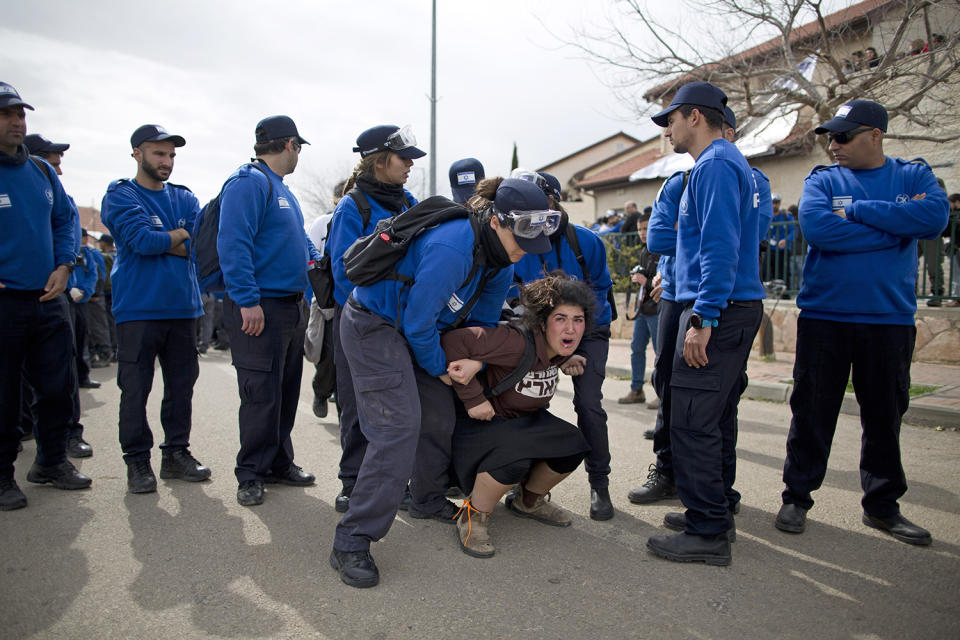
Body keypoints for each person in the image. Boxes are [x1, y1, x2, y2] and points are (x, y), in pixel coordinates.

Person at [330, 177, 556, 588]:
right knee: (398, 427)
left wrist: (472, 360)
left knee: (438, 414)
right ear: (496, 223)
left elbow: (483, 324)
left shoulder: (501, 260)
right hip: (375, 325)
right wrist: (440, 368)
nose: (525, 252)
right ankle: (352, 539)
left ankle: (427, 499)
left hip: (422, 331)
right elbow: (416, 324)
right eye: (521, 240)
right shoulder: (453, 246)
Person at [775, 99, 948, 546]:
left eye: (843, 136)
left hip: (888, 320)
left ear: (875, 135)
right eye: (831, 136)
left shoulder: (912, 175)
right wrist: (896, 226)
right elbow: (817, 230)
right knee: (812, 413)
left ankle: (882, 506)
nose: (834, 144)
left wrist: (856, 211)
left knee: (884, 416)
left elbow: (934, 219)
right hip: (824, 318)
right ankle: (796, 497)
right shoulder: (823, 180)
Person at [645, 81, 764, 566]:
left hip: (721, 307)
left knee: (692, 419)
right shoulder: (721, 164)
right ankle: (712, 510)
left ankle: (708, 532)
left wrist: (704, 316)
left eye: (670, 119)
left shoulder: (715, 164)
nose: (666, 130)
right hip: (730, 305)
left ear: (694, 116)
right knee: (709, 417)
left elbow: (720, 248)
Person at [442, 274, 594, 558]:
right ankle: (472, 515)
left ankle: (527, 501)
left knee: (574, 444)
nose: (571, 328)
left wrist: (563, 359)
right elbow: (452, 342)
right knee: (515, 460)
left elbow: (544, 355)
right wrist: (473, 398)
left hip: (520, 423)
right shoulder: (514, 340)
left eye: (578, 319)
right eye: (561, 318)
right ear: (542, 321)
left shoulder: (553, 348)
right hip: (481, 425)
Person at [100, 124, 211, 494]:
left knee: (181, 388)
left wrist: (166, 238)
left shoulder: (184, 198)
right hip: (139, 309)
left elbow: (198, 246)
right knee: (135, 389)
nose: (166, 161)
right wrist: (177, 235)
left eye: (171, 155)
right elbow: (142, 242)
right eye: (159, 154)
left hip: (183, 309)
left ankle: (176, 454)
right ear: (137, 154)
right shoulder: (121, 195)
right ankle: (137, 461)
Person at [217, 115, 320, 507]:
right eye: (298, 148)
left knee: (284, 390)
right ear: (290, 144)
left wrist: (315, 262)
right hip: (261, 306)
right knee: (260, 393)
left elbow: (298, 244)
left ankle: (279, 462)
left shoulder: (282, 189)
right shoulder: (250, 182)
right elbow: (234, 242)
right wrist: (247, 299)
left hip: (289, 306)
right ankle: (251, 473)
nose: (298, 155)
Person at [0, 81, 92, 511]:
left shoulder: (40, 172)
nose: (17, 122)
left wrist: (64, 264)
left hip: (48, 298)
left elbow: (65, 221)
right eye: (7, 115)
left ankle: (52, 462)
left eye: (21, 115)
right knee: (4, 395)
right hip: (5, 304)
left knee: (58, 387)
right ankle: (3, 476)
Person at [325, 124, 422, 514]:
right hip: (360, 325)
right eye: (404, 158)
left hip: (399, 326)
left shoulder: (409, 201)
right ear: (379, 161)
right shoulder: (354, 206)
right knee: (357, 407)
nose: (410, 165)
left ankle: (395, 484)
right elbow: (342, 273)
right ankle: (352, 483)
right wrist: (371, 315)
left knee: (396, 410)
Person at [512, 170, 617, 521]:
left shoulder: (586, 242)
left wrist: (573, 342)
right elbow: (511, 295)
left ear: (556, 202)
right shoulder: (518, 241)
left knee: (588, 404)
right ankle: (521, 480)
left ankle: (599, 483)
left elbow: (601, 289)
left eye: (541, 203)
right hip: (538, 334)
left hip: (587, 333)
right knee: (523, 400)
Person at [22, 132, 96, 458]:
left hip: (54, 294)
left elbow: (68, 225)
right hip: (14, 295)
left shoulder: (51, 189)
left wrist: (65, 265)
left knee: (60, 373)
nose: (59, 171)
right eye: (53, 164)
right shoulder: (17, 183)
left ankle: (66, 436)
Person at [619, 209, 660, 409]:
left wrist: (647, 281)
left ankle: (662, 393)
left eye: (646, 228)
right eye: (639, 229)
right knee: (636, 348)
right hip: (644, 308)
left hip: (659, 308)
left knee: (660, 352)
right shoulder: (645, 251)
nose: (643, 232)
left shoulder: (663, 249)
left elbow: (667, 283)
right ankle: (636, 389)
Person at [765, 194, 795, 296]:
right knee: (770, 272)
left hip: (783, 250)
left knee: (784, 272)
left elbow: (793, 230)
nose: (774, 205)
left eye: (776, 203)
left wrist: (786, 240)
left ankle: (785, 294)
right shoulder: (768, 216)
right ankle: (772, 293)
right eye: (773, 203)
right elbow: (763, 231)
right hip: (771, 249)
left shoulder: (786, 216)